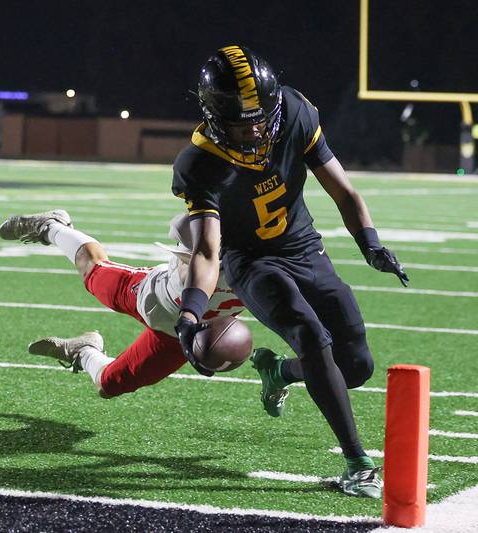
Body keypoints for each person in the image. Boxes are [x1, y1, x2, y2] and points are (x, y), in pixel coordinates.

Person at [171, 45, 409, 498]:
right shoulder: (200, 161)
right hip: (250, 259)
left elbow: (343, 190)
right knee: (310, 332)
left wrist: (370, 243)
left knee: (356, 365)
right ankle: (358, 464)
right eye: (245, 122)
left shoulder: (296, 113)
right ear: (218, 117)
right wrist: (190, 313)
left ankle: (281, 372)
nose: (258, 127)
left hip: (303, 246)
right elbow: (206, 250)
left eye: (262, 114)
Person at [0, 209, 244, 398]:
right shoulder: (227, 231)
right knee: (92, 270)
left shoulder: (273, 270)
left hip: (182, 338)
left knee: (109, 385)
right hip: (151, 295)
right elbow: (185, 225)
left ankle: (83, 350)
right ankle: (51, 226)